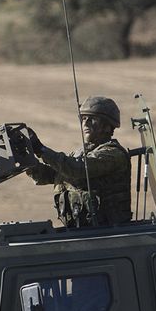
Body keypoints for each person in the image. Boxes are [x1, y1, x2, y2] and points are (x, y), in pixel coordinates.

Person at [22, 96, 132, 228]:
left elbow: (78, 169)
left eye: (92, 119)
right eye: (84, 118)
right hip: (81, 229)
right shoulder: (81, 153)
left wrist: (41, 149)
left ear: (107, 127)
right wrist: (25, 157)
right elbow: (52, 175)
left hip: (108, 230)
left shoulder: (113, 154)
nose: (86, 123)